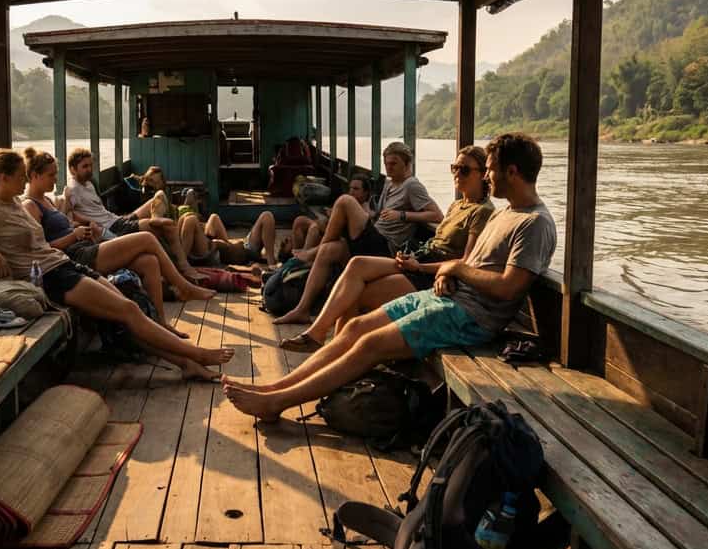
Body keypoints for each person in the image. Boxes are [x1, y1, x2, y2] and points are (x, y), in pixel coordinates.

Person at [225, 133, 556, 421]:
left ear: (512, 171)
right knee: (355, 326)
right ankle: (275, 387)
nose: (487, 175)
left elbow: (509, 285)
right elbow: (478, 266)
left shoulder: (534, 223)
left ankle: (277, 403)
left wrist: (452, 268)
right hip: (448, 297)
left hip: (470, 318)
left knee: (370, 344)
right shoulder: (507, 213)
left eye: (491, 169)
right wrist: (447, 275)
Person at [0, 149, 232, 381]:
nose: (24, 181)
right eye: (20, 176)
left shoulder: (15, 204)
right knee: (128, 311)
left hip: (65, 264)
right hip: (52, 277)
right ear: (4, 178)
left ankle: (184, 362)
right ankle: (197, 355)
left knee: (126, 313)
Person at [279, 146, 494, 352]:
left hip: (431, 275)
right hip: (417, 258)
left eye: (464, 169)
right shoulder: (457, 205)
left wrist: (419, 267)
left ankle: (331, 350)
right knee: (356, 265)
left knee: (357, 294)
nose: (457, 173)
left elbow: (465, 261)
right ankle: (319, 335)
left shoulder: (482, 211)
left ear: (484, 174)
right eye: (454, 168)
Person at [20, 148, 212, 337]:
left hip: (87, 245)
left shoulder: (48, 200)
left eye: (56, 174)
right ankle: (183, 286)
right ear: (35, 176)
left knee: (149, 262)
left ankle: (161, 322)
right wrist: (74, 235)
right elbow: (41, 249)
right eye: (51, 175)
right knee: (146, 238)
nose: (55, 179)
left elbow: (68, 224)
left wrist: (85, 230)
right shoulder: (30, 205)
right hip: (76, 258)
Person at [272, 141, 441, 326]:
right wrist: (371, 214)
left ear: (407, 164)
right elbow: (381, 215)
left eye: (394, 164)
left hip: (386, 246)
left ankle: (311, 252)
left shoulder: (412, 186)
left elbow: (437, 215)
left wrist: (402, 215)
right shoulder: (389, 183)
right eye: (386, 163)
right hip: (374, 235)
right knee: (328, 250)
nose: (389, 168)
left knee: (345, 201)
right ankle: (302, 310)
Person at [61, 149, 201, 279]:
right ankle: (183, 267)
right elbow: (68, 216)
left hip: (117, 220)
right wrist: (89, 223)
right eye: (84, 167)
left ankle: (158, 219)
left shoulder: (88, 184)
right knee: (167, 226)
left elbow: (98, 210)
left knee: (159, 196)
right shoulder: (72, 189)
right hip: (113, 228)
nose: (89, 170)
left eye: (91, 165)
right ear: (72, 169)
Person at [176, 190, 280, 267]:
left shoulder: (244, 252)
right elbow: (220, 242)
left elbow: (217, 239)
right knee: (196, 218)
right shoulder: (220, 245)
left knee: (194, 219)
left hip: (231, 249)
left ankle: (181, 263)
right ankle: (181, 261)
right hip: (230, 248)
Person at [290, 174, 372, 254]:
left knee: (314, 228)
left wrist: (333, 216)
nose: (351, 192)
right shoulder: (348, 204)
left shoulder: (364, 210)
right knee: (300, 221)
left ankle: (302, 258)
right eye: (350, 188)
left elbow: (347, 232)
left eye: (356, 189)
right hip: (332, 231)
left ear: (365, 193)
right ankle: (295, 255)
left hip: (342, 241)